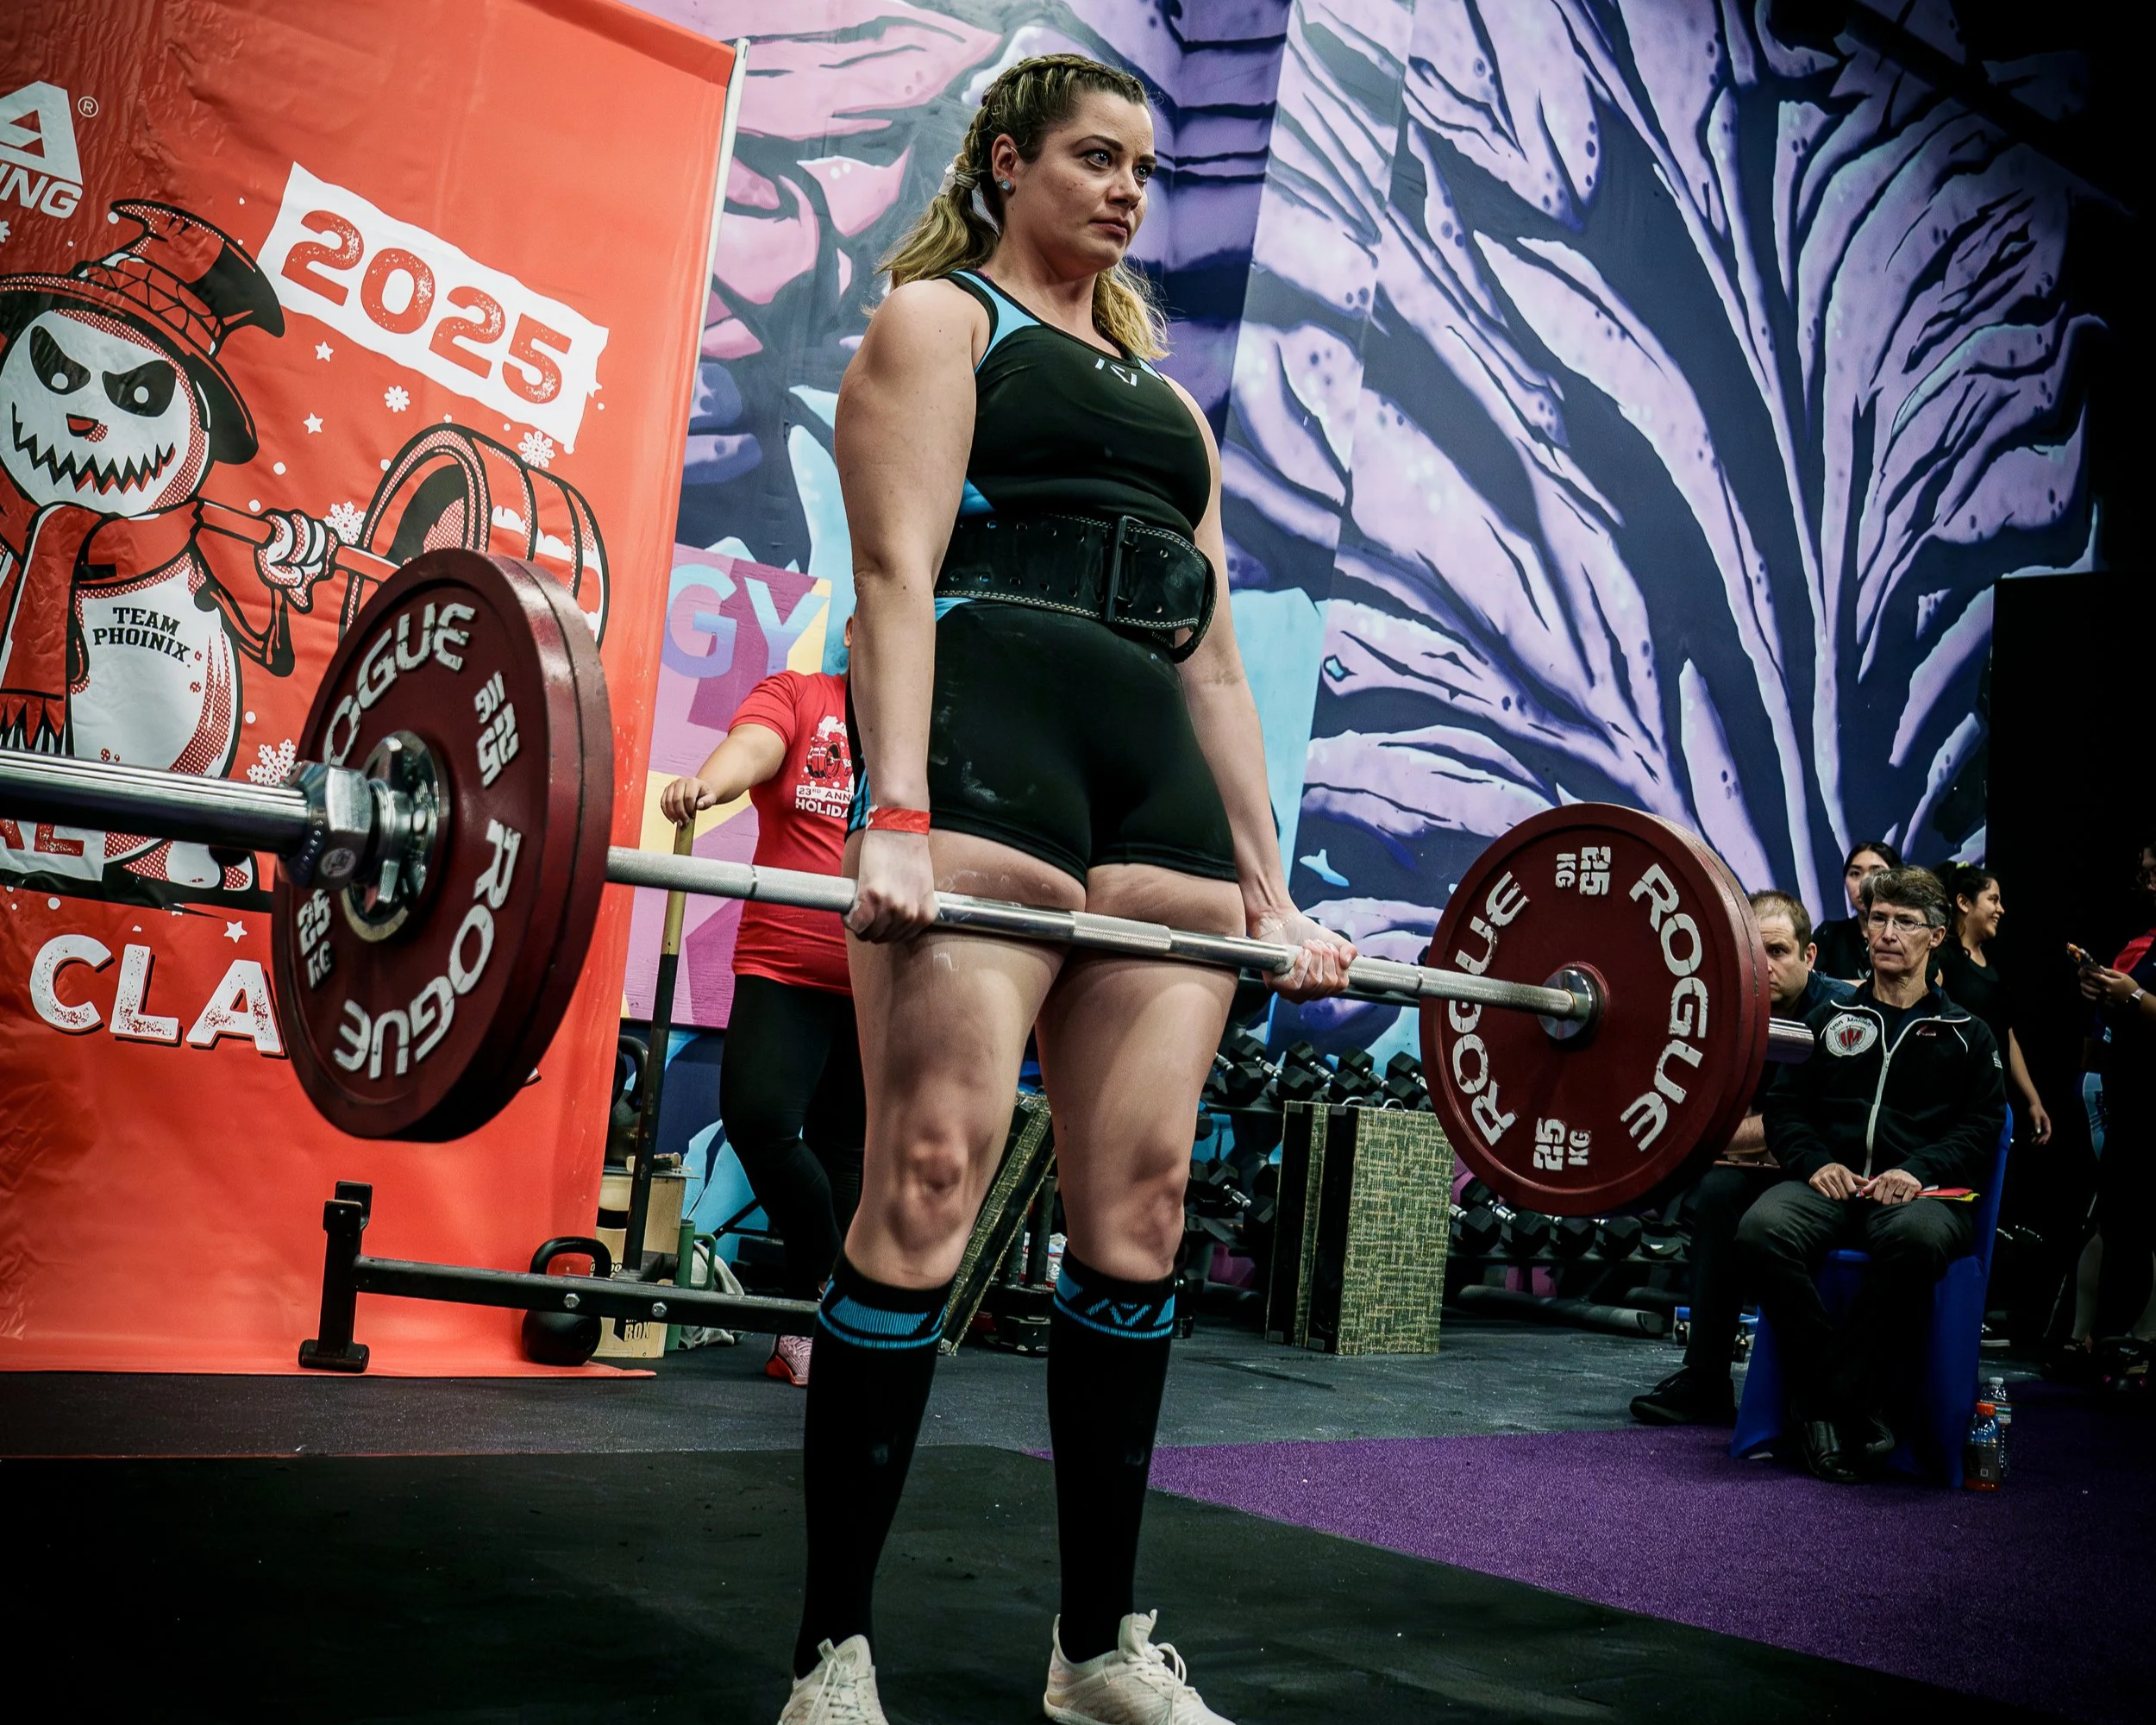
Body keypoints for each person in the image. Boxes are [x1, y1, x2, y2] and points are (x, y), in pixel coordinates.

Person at [778, 55, 1354, 1725]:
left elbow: (1219, 667)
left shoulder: (1171, 410)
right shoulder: (941, 326)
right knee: (931, 1181)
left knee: (1143, 1207)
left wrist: (1272, 891)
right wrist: (888, 806)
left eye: (1143, 168)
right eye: (1093, 157)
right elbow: (890, 571)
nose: (1123, 190)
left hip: (1150, 785)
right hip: (986, 746)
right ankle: (829, 1651)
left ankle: (1094, 1648)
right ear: (1007, 160)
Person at [1737, 867, 2005, 1484]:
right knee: (1760, 1230)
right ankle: (1849, 1400)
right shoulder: (1830, 1019)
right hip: (1830, 1186)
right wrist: (1815, 1163)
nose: (1885, 933)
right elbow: (1785, 1109)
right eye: (1876, 919)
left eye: (1904, 922)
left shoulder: (1968, 1033)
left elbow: (1981, 1127)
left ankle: (1825, 1406)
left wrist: (1915, 1171)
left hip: (1919, 1195)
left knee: (1916, 1241)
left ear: (1936, 936)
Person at [661, 624, 863, 1388]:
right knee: (759, 1124)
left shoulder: (931, 737)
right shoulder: (802, 695)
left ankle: (804, 1333)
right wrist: (708, 787)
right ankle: (845, 1300)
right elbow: (754, 746)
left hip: (886, 979)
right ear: (854, 630)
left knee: (847, 1153)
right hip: (783, 966)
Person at [1632, 890, 1852, 1425]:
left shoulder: (1840, 1016)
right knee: (1714, 1195)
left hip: (1820, 1177)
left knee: (1736, 1194)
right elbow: (1700, 1110)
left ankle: (1819, 1393)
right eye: (1755, 952)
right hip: (1755, 1173)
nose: (1766, 966)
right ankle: (1707, 1378)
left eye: (1778, 952)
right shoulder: (1727, 1007)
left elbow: (1798, 1129)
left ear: (1810, 956)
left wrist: (1714, 1138)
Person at [2076, 837, 2156, 1352]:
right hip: (2131, 1102)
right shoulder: (2142, 943)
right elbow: (2102, 1030)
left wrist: (2138, 998)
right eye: (2145, 873)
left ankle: (2147, 1338)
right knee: (2113, 1220)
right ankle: (2083, 1337)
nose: (2148, 883)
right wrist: (2103, 991)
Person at [1933, 863, 2051, 1145]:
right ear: (1963, 902)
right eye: (1993, 900)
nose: (2001, 910)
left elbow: (2007, 1037)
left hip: (1993, 1104)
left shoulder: (1995, 969)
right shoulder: (1943, 960)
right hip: (1951, 1107)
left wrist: (2033, 1099)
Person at [1810, 838, 1902, 982]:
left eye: (1877, 872)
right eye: (1855, 874)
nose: (1864, 882)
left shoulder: (1912, 933)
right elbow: (1813, 989)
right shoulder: (1828, 936)